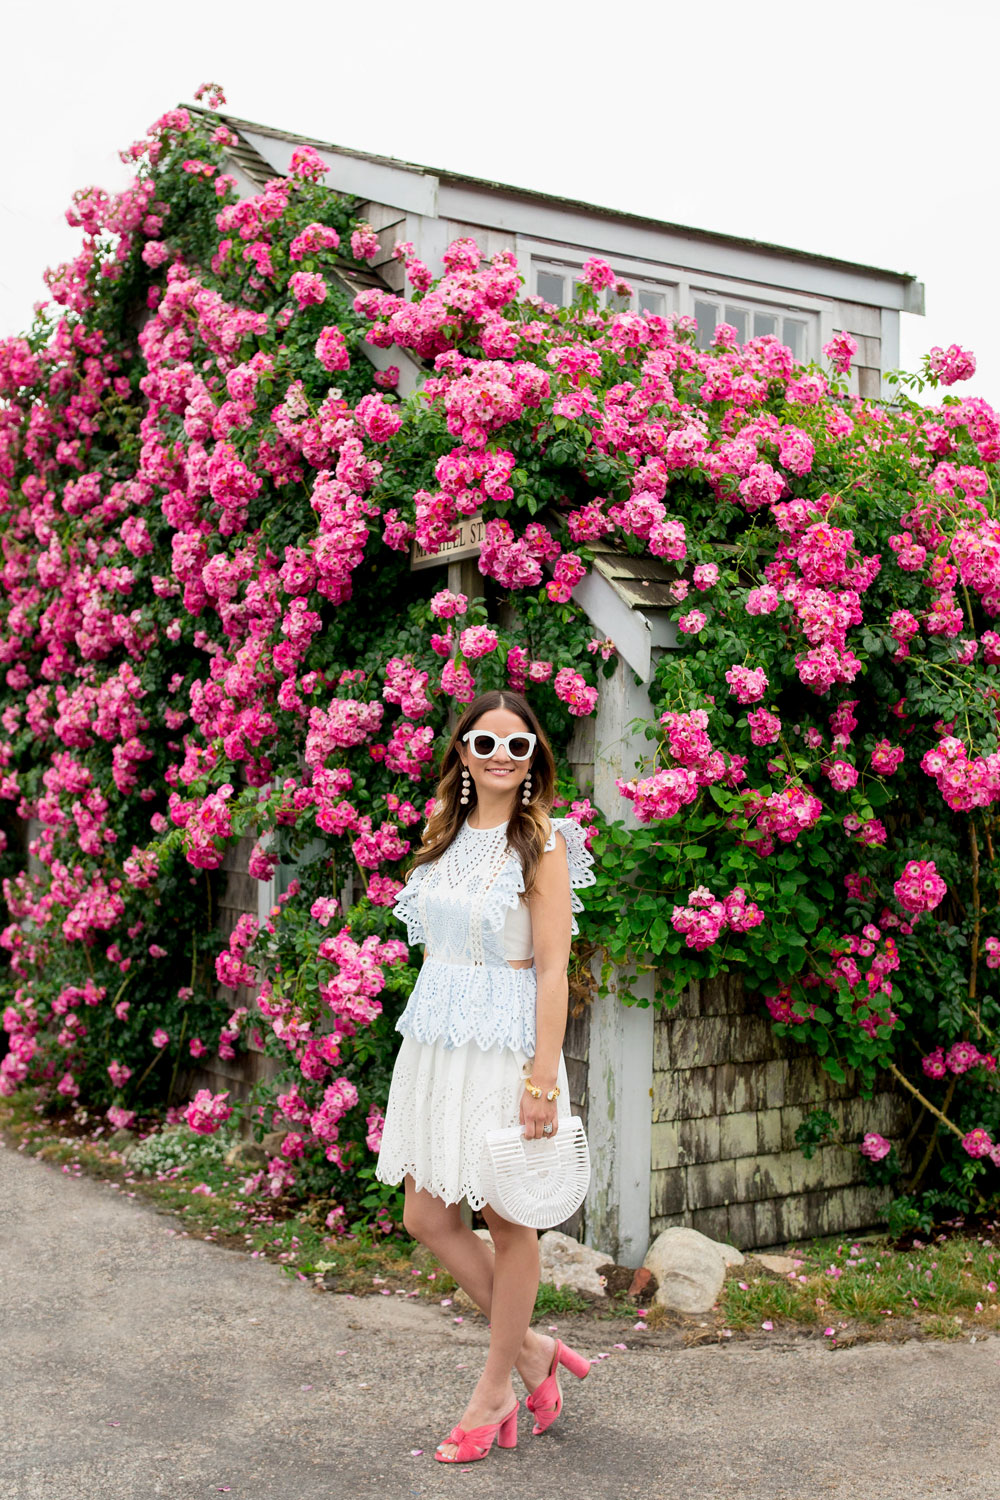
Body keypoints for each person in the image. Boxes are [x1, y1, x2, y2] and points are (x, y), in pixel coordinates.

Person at [375, 689, 595, 1464]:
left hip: (507, 1048)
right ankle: (534, 1352)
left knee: (510, 1222)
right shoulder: (443, 832)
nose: (502, 757)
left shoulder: (545, 844)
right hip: (438, 1039)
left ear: (535, 758)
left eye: (518, 746)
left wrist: (543, 1076)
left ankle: (495, 1386)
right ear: (462, 754)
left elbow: (554, 967)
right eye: (486, 744)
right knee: (426, 1216)